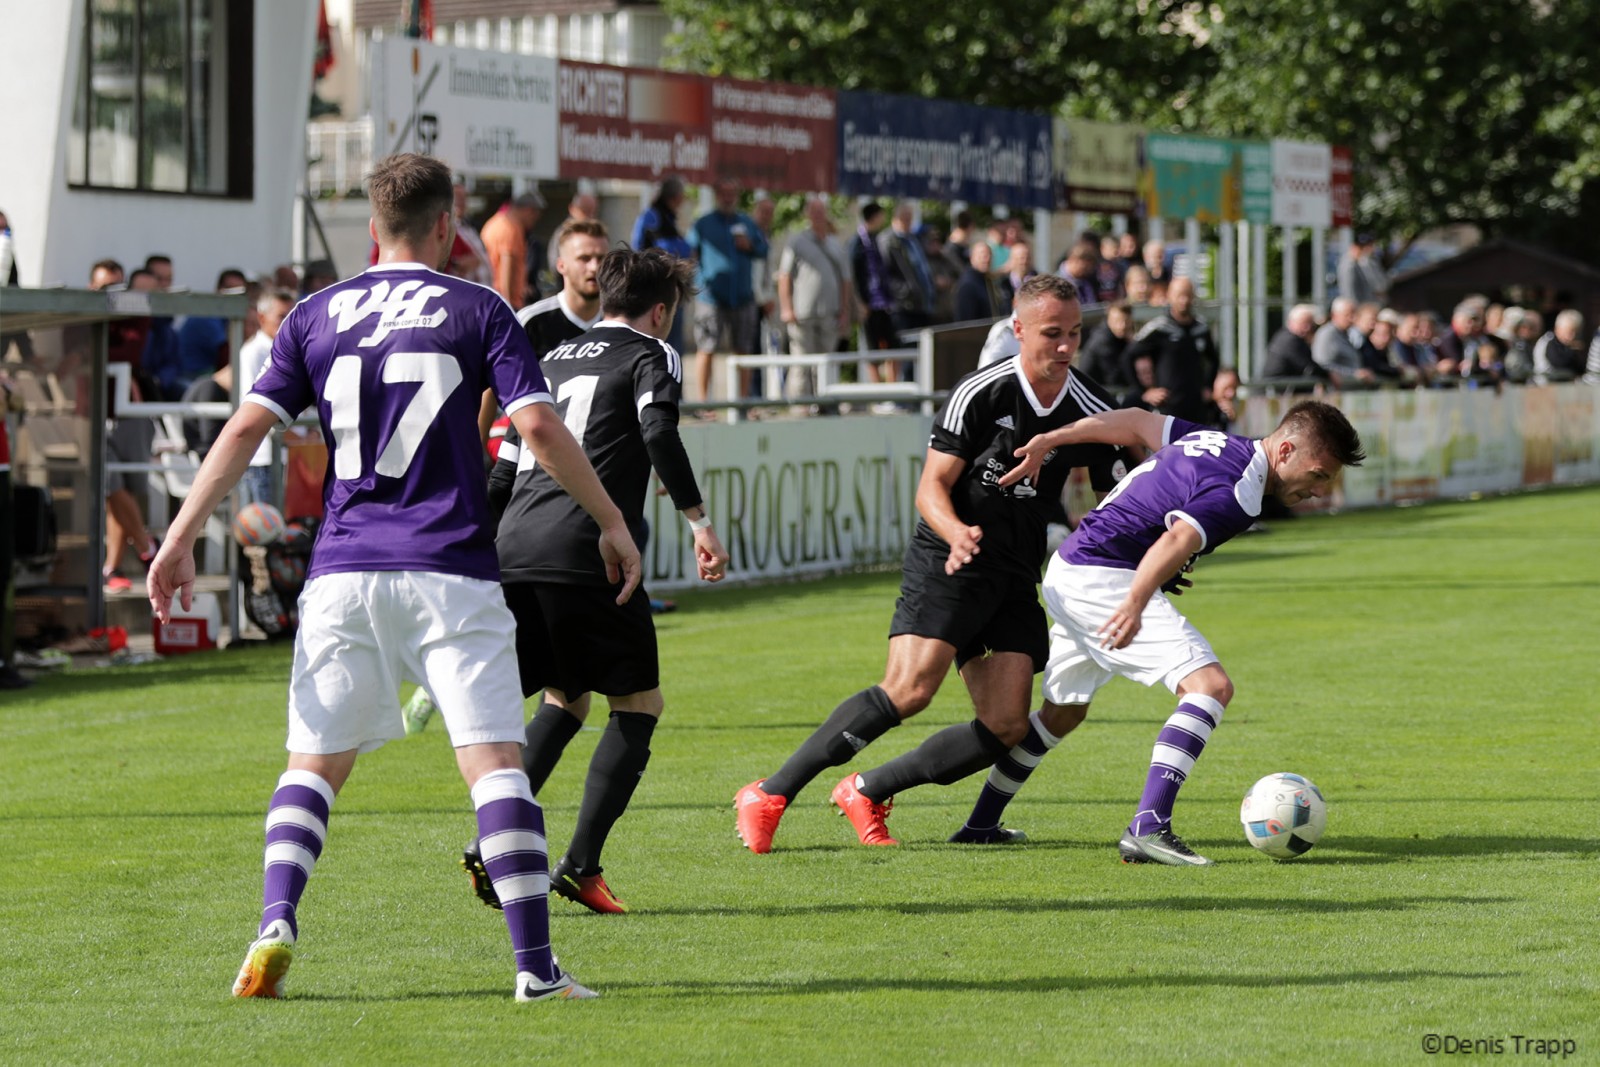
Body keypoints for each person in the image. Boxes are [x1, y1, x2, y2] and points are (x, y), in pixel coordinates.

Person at [146, 152, 641, 1003]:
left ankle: (276, 917)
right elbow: (541, 429)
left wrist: (181, 534)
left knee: (311, 765)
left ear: (373, 229)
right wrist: (610, 518)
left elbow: (241, 432)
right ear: (449, 228)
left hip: (342, 569)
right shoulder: (480, 306)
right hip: (448, 566)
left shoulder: (315, 312)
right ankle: (536, 970)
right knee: (495, 767)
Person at [733, 275, 1128, 853]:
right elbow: (930, 490)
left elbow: (1115, 495)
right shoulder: (982, 393)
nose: (1065, 347)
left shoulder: (1091, 405)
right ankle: (769, 792)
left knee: (1006, 725)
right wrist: (957, 533)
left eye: (1074, 333)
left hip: (1015, 573)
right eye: (1052, 334)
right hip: (950, 557)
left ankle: (868, 790)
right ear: (1018, 330)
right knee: (910, 689)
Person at [949, 400, 1364, 863]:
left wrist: (1054, 438)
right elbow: (1176, 539)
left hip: (1072, 565)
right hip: (1106, 577)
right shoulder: (1241, 490)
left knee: (1061, 713)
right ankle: (1149, 826)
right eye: (1319, 475)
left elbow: (1134, 422)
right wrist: (1135, 602)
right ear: (1285, 450)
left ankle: (980, 824)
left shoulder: (1215, 441)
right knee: (1209, 687)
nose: (1319, 491)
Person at [458, 248, 730, 913]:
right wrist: (698, 520)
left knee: (566, 696)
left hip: (516, 544)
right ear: (661, 310)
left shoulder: (550, 359)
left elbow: (502, 468)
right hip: (588, 550)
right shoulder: (651, 352)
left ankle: (491, 842)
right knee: (638, 704)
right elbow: (658, 430)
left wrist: (480, 546)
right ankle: (580, 864)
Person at [690, 178, 768, 403]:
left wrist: (750, 246)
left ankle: (742, 402)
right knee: (706, 349)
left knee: (743, 350)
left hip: (743, 298)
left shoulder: (746, 222)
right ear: (716, 195)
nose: (728, 197)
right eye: (724, 193)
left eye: (732, 193)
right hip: (710, 298)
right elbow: (690, 255)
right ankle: (705, 403)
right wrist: (698, 281)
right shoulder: (703, 224)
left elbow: (763, 250)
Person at [776, 195, 853, 403]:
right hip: (802, 313)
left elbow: (846, 280)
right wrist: (786, 308)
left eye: (821, 211)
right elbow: (784, 276)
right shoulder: (797, 241)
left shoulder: (836, 245)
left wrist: (845, 310)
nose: (818, 216)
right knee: (802, 363)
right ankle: (801, 404)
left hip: (831, 313)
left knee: (827, 363)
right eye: (814, 211)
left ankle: (826, 403)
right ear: (808, 215)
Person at [1121, 276, 1218, 422]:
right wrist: (1145, 391)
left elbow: (1214, 360)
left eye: (1187, 295)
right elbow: (1127, 357)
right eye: (1179, 295)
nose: (1184, 300)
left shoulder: (1201, 328)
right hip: (1168, 408)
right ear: (1169, 296)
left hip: (1197, 408)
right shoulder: (1160, 328)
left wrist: (1208, 386)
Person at [232, 288, 296, 503]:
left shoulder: (287, 349)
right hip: (263, 459)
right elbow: (258, 408)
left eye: (292, 315)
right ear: (261, 318)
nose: (288, 321)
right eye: (281, 316)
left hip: (287, 455)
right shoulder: (254, 352)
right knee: (264, 534)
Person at [632, 177, 693, 355]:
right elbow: (645, 248)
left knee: (673, 346)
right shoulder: (652, 216)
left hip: (672, 286)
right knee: (659, 344)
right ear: (675, 197)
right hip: (655, 288)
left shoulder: (667, 217)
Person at [1261, 304, 1330, 388]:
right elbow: (1308, 367)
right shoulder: (1290, 340)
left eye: (1310, 324)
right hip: (1278, 392)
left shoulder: (1286, 336)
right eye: (1303, 323)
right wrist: (1329, 375)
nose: (1307, 328)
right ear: (1291, 322)